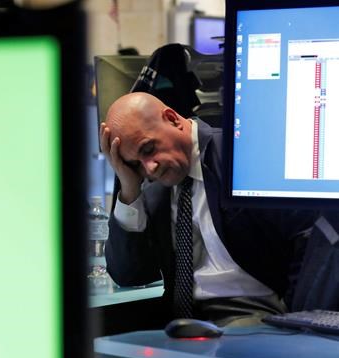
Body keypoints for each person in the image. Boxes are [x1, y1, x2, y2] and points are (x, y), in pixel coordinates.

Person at [100, 92, 313, 327]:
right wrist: (129, 187)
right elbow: (129, 274)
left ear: (172, 119)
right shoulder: (153, 190)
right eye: (134, 163)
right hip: (182, 323)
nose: (149, 169)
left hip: (256, 312)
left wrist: (300, 319)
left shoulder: (241, 154)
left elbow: (306, 238)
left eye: (149, 149)